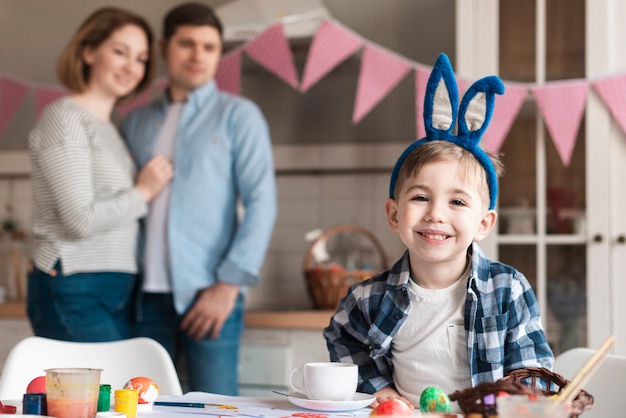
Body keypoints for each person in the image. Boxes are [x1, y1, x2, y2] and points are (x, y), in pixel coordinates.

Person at [323, 53, 554, 411]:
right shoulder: (368, 297)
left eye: (457, 203)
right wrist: (381, 391)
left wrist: (512, 403)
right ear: (394, 214)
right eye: (420, 197)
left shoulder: (507, 289)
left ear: (483, 224)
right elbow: (342, 337)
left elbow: (533, 369)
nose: (435, 214)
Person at [120, 3, 277, 395]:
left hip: (211, 293)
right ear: (163, 48)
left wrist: (227, 286)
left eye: (209, 47)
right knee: (140, 406)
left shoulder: (239, 116)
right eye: (187, 44)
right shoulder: (134, 121)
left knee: (216, 407)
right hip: (144, 299)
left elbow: (262, 203)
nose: (198, 55)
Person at [27, 7, 173, 342]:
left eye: (140, 58)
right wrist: (144, 193)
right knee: (99, 391)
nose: (131, 67)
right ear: (89, 51)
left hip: (114, 285)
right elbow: (79, 219)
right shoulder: (65, 118)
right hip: (74, 282)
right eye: (120, 52)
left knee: (115, 392)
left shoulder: (110, 128)